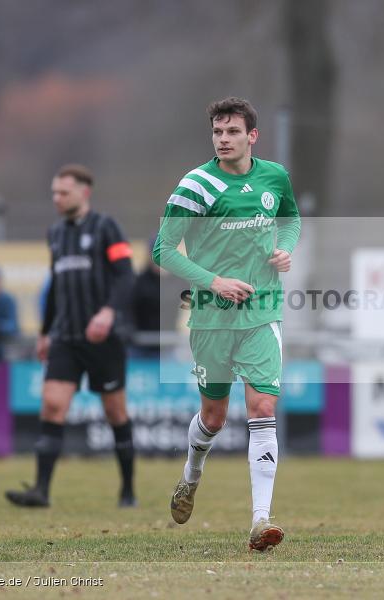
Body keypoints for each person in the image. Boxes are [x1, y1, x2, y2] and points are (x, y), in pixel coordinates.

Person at [153, 97, 301, 551]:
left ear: (251, 136)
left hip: (262, 312)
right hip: (211, 317)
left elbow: (290, 218)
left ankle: (261, 520)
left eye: (232, 132)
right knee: (214, 418)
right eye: (218, 132)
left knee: (262, 408)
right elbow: (163, 249)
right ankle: (191, 476)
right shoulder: (196, 185)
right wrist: (213, 281)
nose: (223, 139)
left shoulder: (274, 176)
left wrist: (285, 249)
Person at [5, 164, 137, 508]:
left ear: (84, 192)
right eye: (54, 192)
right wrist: (45, 332)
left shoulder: (107, 228)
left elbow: (126, 277)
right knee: (52, 405)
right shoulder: (56, 234)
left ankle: (127, 490)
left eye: (63, 192)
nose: (57, 198)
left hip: (103, 340)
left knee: (115, 413)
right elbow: (57, 287)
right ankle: (41, 491)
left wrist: (108, 312)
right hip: (65, 337)